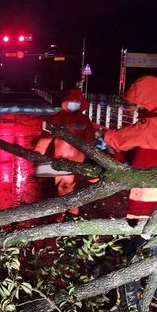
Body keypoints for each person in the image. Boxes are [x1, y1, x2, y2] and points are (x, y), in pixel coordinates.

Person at [101, 75, 157, 312]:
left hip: (152, 198)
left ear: (148, 100)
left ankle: (127, 304)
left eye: (137, 103)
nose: (134, 108)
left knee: (134, 250)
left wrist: (108, 137)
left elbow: (133, 136)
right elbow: (143, 149)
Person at [34, 88, 97, 216]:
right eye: (71, 101)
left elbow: (90, 139)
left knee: (66, 186)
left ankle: (70, 213)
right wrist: (38, 153)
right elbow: (46, 138)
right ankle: (64, 213)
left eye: (77, 102)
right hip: (58, 160)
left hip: (75, 161)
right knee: (60, 186)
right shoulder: (57, 118)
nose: (74, 104)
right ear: (66, 102)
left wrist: (92, 156)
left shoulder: (84, 120)